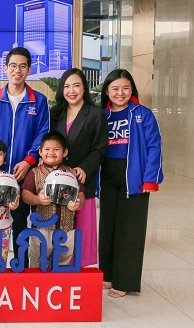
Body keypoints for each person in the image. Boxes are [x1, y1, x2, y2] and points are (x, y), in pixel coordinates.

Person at [0, 47, 49, 265]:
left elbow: (42, 135)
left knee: (20, 223)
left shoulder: (39, 101)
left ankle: (21, 268)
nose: (17, 70)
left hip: (23, 174)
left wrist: (28, 162)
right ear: (5, 68)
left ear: (29, 70)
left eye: (22, 66)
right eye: (13, 66)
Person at [98, 69, 163, 298]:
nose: (120, 93)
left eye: (125, 88)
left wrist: (150, 179)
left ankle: (124, 281)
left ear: (132, 90)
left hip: (134, 177)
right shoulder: (101, 115)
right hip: (107, 176)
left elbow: (154, 146)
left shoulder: (143, 114)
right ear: (107, 91)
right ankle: (107, 275)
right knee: (107, 227)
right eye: (115, 88)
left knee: (130, 230)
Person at [49, 68, 108, 267]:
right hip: (56, 178)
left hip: (82, 179)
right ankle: (57, 267)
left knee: (81, 229)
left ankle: (79, 271)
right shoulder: (55, 113)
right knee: (57, 229)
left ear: (84, 88)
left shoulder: (95, 114)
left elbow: (100, 147)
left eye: (76, 85)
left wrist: (84, 168)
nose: (71, 91)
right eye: (67, 86)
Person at [21, 132, 85, 267]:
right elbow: (25, 194)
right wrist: (37, 199)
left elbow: (81, 195)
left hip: (66, 228)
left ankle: (60, 281)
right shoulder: (34, 173)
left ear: (65, 152)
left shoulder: (72, 173)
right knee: (38, 264)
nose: (51, 152)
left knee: (62, 264)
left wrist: (78, 204)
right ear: (40, 152)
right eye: (47, 149)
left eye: (56, 149)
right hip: (41, 229)